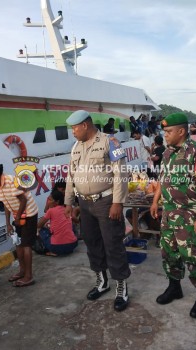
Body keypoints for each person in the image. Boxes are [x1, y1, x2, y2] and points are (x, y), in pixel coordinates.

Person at [64, 110, 130, 312]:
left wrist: (118, 202)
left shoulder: (110, 142)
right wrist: (69, 202)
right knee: (92, 243)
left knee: (112, 244)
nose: (73, 132)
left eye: (75, 128)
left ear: (85, 125)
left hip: (106, 201)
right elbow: (71, 175)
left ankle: (121, 286)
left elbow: (121, 173)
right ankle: (102, 281)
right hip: (84, 203)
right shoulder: (76, 146)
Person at [150, 112, 196, 319]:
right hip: (169, 214)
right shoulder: (168, 152)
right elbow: (163, 178)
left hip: (189, 215)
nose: (165, 135)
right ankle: (174, 287)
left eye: (168, 132)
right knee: (169, 253)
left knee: (195, 255)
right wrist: (155, 201)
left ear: (181, 131)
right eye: (164, 132)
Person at [0, 162, 38, 287]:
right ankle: (22, 271)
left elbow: (23, 199)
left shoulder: (11, 181)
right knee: (18, 244)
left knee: (26, 245)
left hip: (29, 214)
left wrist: (17, 217)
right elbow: (6, 204)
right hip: (18, 216)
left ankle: (29, 277)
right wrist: (8, 223)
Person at [37, 190, 78, 256]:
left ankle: (53, 252)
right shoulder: (66, 209)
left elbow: (39, 225)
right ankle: (66, 250)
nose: (48, 202)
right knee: (71, 227)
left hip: (56, 247)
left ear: (57, 201)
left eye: (50, 200)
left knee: (41, 231)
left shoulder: (51, 211)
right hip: (73, 244)